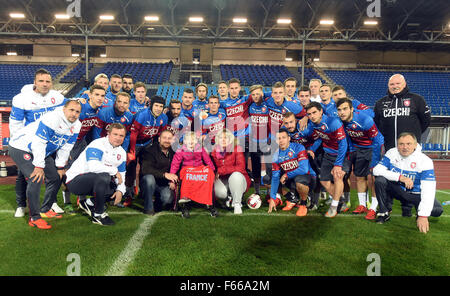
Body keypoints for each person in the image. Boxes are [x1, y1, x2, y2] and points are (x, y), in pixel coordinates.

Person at [9, 100, 82, 229]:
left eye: (77, 112)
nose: (74, 114)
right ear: (64, 109)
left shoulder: (77, 125)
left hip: (41, 150)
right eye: (71, 110)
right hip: (21, 147)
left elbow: (66, 147)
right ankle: (34, 217)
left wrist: (60, 167)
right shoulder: (52, 118)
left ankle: (45, 209)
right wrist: (38, 166)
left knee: (55, 177)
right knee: (36, 177)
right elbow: (39, 142)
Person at [9, 68, 67, 218]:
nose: (45, 84)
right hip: (27, 144)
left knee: (51, 173)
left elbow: (67, 111)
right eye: (41, 81)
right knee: (24, 175)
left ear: (52, 83)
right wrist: (20, 146)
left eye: (48, 81)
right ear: (34, 82)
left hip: (48, 143)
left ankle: (51, 203)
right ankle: (21, 205)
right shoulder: (21, 99)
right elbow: (15, 124)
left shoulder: (58, 98)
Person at [374, 73, 432, 216]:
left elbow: (425, 121)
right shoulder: (381, 103)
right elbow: (378, 123)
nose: (395, 87)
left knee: (410, 175)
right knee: (388, 176)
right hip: (390, 149)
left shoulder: (416, 100)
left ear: (404, 84)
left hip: (411, 149)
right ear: (388, 86)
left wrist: (414, 138)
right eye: (392, 84)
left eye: (398, 84)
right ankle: (387, 206)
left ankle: (407, 206)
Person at [373, 132, 443, 233]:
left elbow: (428, 189)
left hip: (416, 194)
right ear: (397, 145)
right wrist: (400, 177)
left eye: (408, 144)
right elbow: (376, 170)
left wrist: (423, 215)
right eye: (401, 144)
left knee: (437, 210)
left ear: (415, 145)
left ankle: (416, 210)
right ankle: (384, 212)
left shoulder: (425, 161)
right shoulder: (392, 153)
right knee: (380, 180)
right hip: (398, 190)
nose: (404, 147)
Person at [65, 123, 127, 226]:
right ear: (108, 134)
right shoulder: (97, 144)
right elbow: (93, 166)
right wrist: (114, 171)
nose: (118, 138)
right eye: (115, 134)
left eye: (121, 136)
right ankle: (98, 214)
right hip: (75, 181)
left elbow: (122, 174)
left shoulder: (122, 152)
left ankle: (88, 203)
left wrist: (120, 190)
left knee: (114, 189)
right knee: (105, 176)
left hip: (95, 181)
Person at [61, 84, 106, 214]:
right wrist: (65, 148)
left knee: (84, 171)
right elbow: (64, 106)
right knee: (67, 173)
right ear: (89, 95)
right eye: (96, 95)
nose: (99, 98)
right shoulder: (81, 107)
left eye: (102, 95)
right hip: (69, 143)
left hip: (82, 143)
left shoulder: (99, 111)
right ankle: (67, 203)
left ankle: (82, 201)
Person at [336, 98, 384, 219]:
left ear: (352, 109)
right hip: (358, 149)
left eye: (345, 109)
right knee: (359, 177)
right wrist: (352, 152)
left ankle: (373, 208)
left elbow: (377, 140)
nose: (342, 112)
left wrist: (375, 160)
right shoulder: (340, 121)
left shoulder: (365, 120)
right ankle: (362, 205)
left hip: (373, 147)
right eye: (339, 110)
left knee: (372, 178)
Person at [302, 102, 350, 218]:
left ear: (321, 112)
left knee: (337, 176)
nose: (312, 116)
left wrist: (338, 164)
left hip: (342, 154)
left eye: (314, 112)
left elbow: (343, 144)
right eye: (309, 114)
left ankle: (334, 207)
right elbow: (316, 137)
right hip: (328, 154)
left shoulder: (333, 122)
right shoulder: (313, 124)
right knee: (324, 181)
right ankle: (340, 200)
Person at [125, 96, 168, 204]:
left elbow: (160, 134)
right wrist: (132, 150)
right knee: (131, 168)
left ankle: (145, 192)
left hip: (148, 144)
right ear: (151, 105)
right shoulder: (142, 115)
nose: (158, 108)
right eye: (156, 105)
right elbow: (133, 134)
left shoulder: (164, 117)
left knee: (146, 168)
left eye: (161, 106)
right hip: (135, 143)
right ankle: (128, 194)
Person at [268, 129, 316, 217]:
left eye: (283, 137)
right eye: (279, 138)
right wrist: (272, 198)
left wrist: (286, 175)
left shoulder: (298, 148)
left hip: (308, 178)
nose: (281, 140)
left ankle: (303, 203)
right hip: (292, 180)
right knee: (268, 180)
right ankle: (293, 199)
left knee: (299, 181)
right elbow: (275, 178)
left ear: (289, 138)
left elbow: (304, 169)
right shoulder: (275, 155)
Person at [169, 131, 216, 218]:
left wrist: (213, 170)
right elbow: (175, 164)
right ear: (184, 141)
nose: (191, 141)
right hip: (187, 168)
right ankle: (185, 199)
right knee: (187, 174)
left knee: (209, 172)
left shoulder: (200, 148)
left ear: (196, 141)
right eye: (188, 140)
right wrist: (172, 177)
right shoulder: (180, 150)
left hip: (199, 168)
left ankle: (209, 202)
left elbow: (207, 160)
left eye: (193, 139)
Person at [210, 129, 251, 215]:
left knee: (235, 176)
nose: (223, 140)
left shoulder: (237, 148)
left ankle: (237, 204)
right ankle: (228, 198)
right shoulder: (214, 152)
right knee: (218, 192)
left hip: (239, 178)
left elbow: (241, 168)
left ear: (231, 139)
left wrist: (223, 170)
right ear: (217, 140)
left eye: (226, 138)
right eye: (221, 138)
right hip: (224, 179)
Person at [139, 129, 177, 215]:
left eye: (169, 138)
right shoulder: (149, 150)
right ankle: (148, 207)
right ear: (159, 139)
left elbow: (177, 168)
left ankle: (157, 204)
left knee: (167, 198)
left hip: (163, 184)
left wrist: (172, 181)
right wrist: (164, 174)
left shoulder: (174, 152)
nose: (167, 140)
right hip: (149, 183)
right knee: (149, 179)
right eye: (164, 138)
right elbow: (146, 169)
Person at [248, 84, 271, 196]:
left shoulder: (268, 105)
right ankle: (257, 192)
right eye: (253, 94)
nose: (256, 96)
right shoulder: (250, 106)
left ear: (262, 93)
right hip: (254, 143)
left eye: (258, 94)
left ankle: (269, 193)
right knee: (256, 168)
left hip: (267, 141)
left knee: (269, 169)